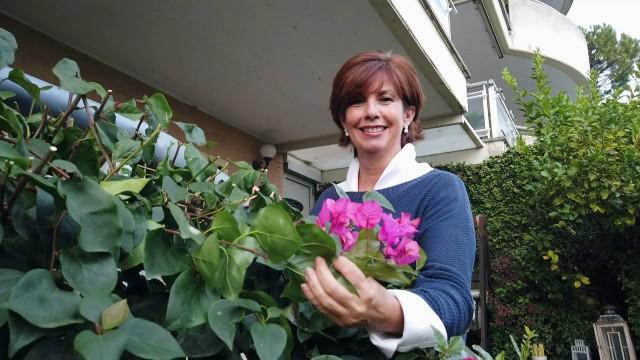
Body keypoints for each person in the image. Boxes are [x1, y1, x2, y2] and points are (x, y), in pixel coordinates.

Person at [300, 51, 476, 358]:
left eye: (385, 99)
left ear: (408, 114)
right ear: (344, 119)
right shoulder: (330, 199)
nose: (370, 112)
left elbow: (454, 300)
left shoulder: (440, 189)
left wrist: (387, 311)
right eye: (356, 101)